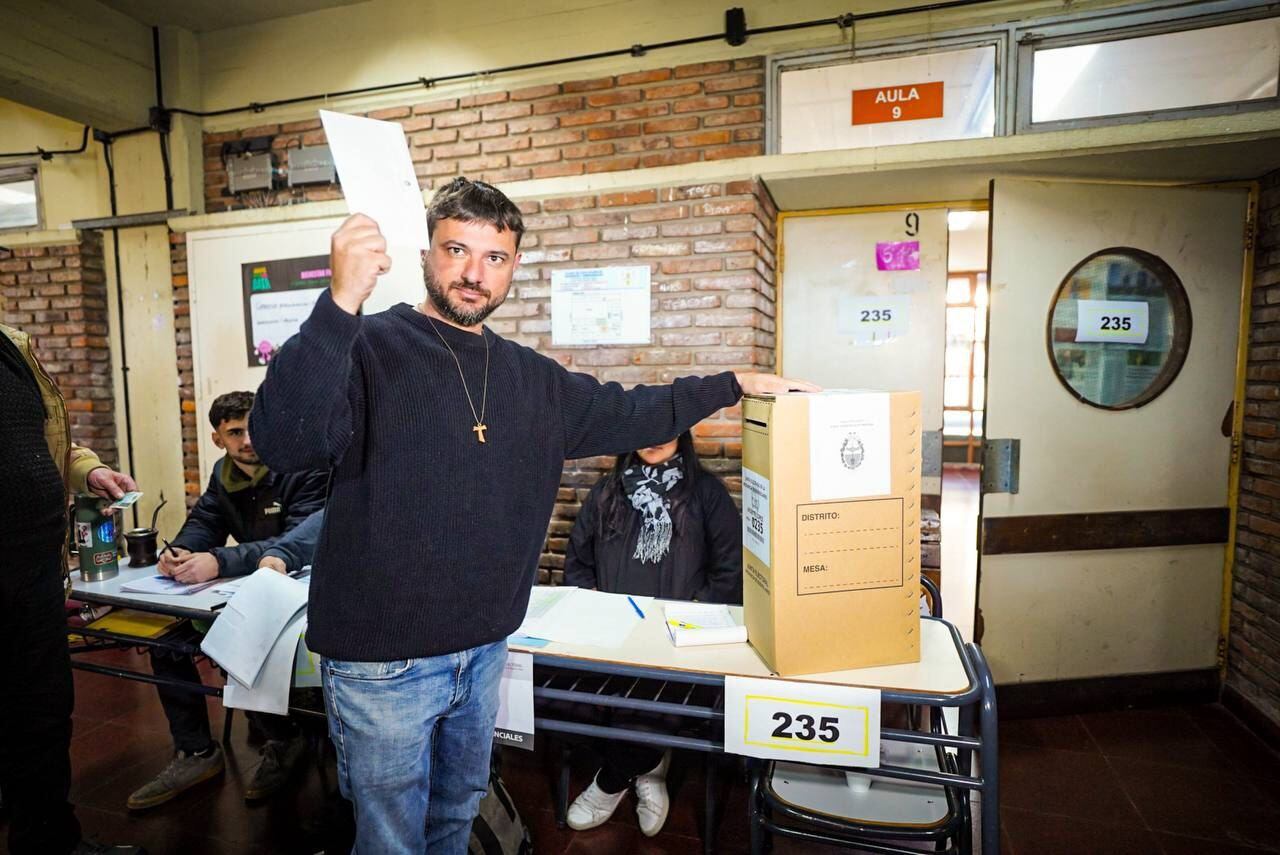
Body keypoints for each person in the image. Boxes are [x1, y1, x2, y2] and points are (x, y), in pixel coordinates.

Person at [249, 176, 817, 854]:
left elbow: (630, 409)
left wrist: (734, 385)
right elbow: (284, 438)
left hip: (485, 650)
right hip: (383, 662)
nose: (472, 273)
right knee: (390, 838)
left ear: (515, 266)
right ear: (427, 252)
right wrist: (340, 301)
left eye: (494, 257)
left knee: (457, 814)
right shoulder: (368, 345)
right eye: (456, 249)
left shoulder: (532, 377)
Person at [126, 391, 327, 810]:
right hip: (245, 586)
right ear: (218, 439)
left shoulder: (302, 469)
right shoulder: (224, 474)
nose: (249, 440)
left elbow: (295, 543)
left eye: (256, 428)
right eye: (235, 432)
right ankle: (196, 752)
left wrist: (218, 561)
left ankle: (283, 739)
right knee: (166, 639)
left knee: (251, 640)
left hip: (301, 594)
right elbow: (205, 521)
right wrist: (180, 551)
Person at [0, 322, 143, 855]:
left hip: (34, 569)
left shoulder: (11, 346)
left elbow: (40, 439)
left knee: (41, 715)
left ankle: (50, 842)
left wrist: (90, 470)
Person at [562, 431, 742, 835]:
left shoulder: (706, 494)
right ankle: (650, 766)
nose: (653, 438)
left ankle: (609, 783)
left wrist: (690, 617)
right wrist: (593, 609)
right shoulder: (607, 492)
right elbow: (577, 561)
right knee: (570, 700)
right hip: (613, 635)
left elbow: (729, 570)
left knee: (655, 702)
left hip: (676, 641)